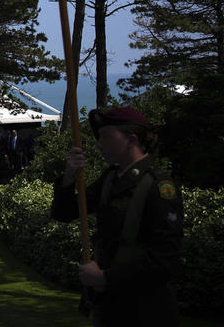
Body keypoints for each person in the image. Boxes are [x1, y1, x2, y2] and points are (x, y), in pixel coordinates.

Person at [51, 107, 183, 326]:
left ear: (131, 140)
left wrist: (105, 278)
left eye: (106, 136)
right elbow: (65, 213)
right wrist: (68, 177)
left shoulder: (158, 186)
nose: (98, 143)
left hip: (145, 311)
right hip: (110, 307)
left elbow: (165, 260)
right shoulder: (111, 178)